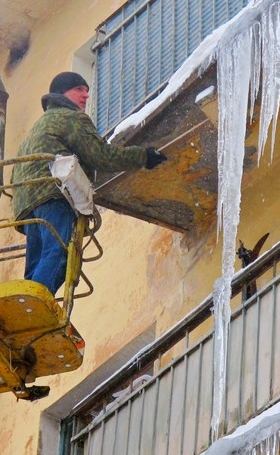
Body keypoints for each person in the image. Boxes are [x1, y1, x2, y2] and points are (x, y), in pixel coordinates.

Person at [11, 71, 167, 294]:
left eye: (87, 91)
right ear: (62, 94)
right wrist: (143, 156)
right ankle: (36, 302)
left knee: (37, 263)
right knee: (60, 252)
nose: (85, 96)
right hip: (53, 195)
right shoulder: (71, 117)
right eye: (79, 90)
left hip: (25, 205)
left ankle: (26, 300)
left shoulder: (36, 129)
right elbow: (101, 156)